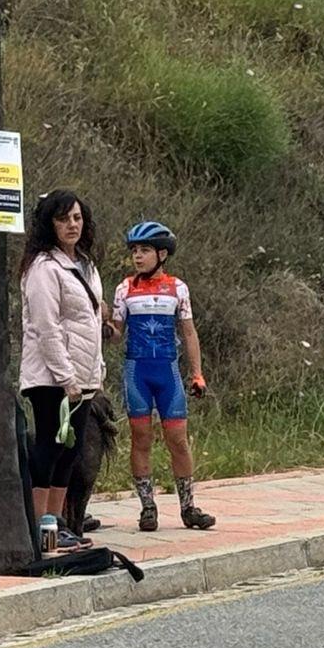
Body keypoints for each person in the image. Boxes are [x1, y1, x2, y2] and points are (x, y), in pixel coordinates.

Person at [110, 221, 214, 531]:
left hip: (168, 372)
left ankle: (188, 507)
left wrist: (197, 374)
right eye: (134, 251)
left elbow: (189, 332)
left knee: (178, 440)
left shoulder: (177, 288)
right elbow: (116, 334)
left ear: (162, 254)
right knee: (141, 438)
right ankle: (147, 508)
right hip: (137, 373)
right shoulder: (124, 288)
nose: (137, 256)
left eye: (144, 250)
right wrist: (103, 324)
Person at [19, 189, 107, 549]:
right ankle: (40, 525)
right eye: (62, 219)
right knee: (49, 447)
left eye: (76, 217)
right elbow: (47, 327)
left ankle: (58, 523)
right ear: (49, 224)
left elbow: (92, 321)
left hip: (83, 377)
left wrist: (94, 372)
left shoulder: (85, 264)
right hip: (50, 378)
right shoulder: (43, 268)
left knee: (70, 451)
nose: (72, 225)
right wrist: (65, 377)